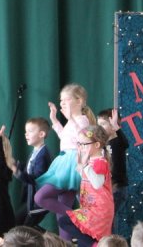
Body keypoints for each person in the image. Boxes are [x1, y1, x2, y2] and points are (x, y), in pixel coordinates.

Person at [34, 83, 94, 240]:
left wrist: (70, 119)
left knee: (40, 197)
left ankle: (77, 215)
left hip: (71, 165)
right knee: (62, 217)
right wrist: (54, 120)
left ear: (79, 101)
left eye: (66, 100)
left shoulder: (83, 120)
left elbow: (81, 138)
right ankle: (65, 241)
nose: (62, 103)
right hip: (64, 162)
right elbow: (66, 138)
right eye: (61, 100)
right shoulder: (72, 121)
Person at [57, 125, 114, 246]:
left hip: (99, 209)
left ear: (97, 145)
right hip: (90, 208)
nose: (81, 147)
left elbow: (97, 184)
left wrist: (85, 166)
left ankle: (95, 245)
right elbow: (86, 180)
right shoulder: (91, 161)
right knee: (83, 238)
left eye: (84, 144)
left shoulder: (100, 162)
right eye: (79, 144)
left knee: (64, 221)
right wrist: (80, 166)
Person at [13, 116, 51, 226]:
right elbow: (29, 170)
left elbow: (36, 179)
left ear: (41, 134)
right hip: (30, 200)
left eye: (30, 131)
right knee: (17, 223)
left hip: (38, 203)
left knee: (26, 228)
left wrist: (17, 172)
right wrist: (17, 165)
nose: (26, 134)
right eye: (26, 131)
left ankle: (47, 237)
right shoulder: (35, 152)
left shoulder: (43, 155)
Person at [97, 108, 129, 232]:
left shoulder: (117, 142)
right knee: (108, 218)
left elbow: (125, 143)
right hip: (108, 188)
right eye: (99, 125)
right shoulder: (104, 144)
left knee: (108, 218)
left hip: (117, 188)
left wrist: (116, 127)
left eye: (103, 124)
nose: (100, 128)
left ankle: (111, 240)